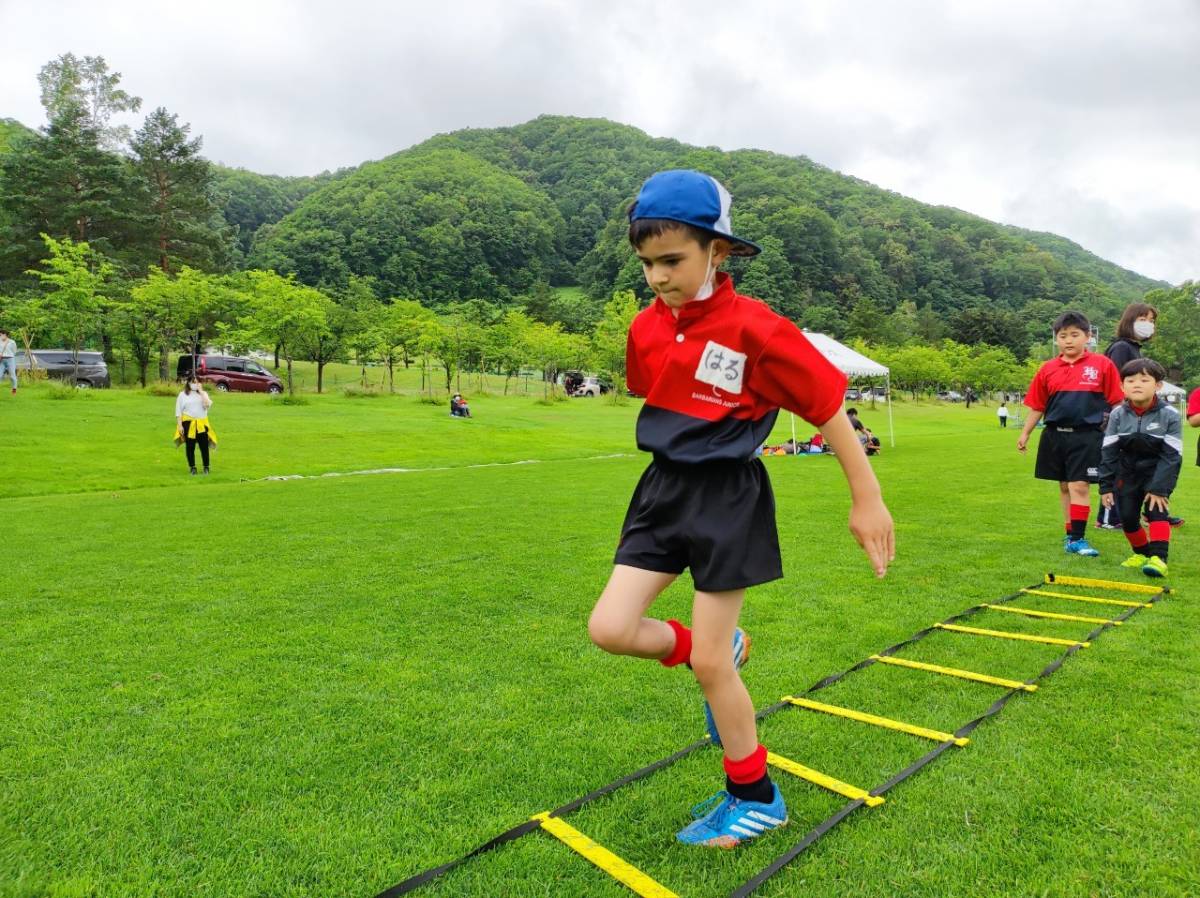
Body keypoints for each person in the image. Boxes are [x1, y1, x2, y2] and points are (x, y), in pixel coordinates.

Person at [587, 170, 894, 849]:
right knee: (610, 627)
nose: (657, 277)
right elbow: (656, 389)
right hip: (661, 490)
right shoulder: (644, 327)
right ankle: (713, 648)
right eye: (646, 263)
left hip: (728, 498)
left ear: (717, 251)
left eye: (672, 260)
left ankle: (757, 798)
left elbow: (827, 409)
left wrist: (866, 498)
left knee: (710, 670)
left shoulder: (759, 329)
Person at [1017, 310, 1122, 557]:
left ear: (1087, 336)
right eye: (1063, 336)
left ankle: (1078, 538)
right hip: (1054, 436)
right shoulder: (1047, 369)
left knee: (1079, 485)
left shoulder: (1102, 365)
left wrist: (1120, 434)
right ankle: (1070, 533)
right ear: (1056, 339)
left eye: (1075, 335)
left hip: (1087, 436)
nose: (1068, 340)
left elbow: (1117, 402)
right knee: (1064, 486)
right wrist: (1025, 433)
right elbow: (1038, 405)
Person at [1099, 359, 1182, 577]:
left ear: (1158, 385)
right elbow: (1109, 451)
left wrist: (1159, 488)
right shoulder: (1117, 414)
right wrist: (1105, 486)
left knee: (1157, 511)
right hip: (1127, 473)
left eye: (1144, 380)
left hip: (1157, 472)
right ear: (1122, 386)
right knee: (1127, 517)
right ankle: (1143, 554)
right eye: (1131, 380)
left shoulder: (1170, 414)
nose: (1137, 384)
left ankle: (1159, 559)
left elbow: (1172, 455)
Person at [1097, 303, 1162, 529]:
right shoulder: (1122, 348)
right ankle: (1109, 518)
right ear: (1130, 320)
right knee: (1118, 465)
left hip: (1132, 414)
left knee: (1135, 465)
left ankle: (1150, 512)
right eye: (1143, 319)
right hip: (1119, 414)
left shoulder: (1133, 348)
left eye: (1152, 321)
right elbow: (1116, 384)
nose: (1148, 324)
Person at [175, 378, 216, 474]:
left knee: (204, 446)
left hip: (202, 423)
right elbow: (178, 412)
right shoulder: (182, 395)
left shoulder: (204, 394)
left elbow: (207, 405)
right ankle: (192, 467)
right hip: (188, 423)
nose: (194, 384)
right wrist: (180, 425)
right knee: (190, 446)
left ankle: (206, 467)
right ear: (188, 383)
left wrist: (201, 392)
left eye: (197, 382)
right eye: (193, 382)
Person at [0, 328, 17, 395]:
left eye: (1, 335)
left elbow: (14, 351)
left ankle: (14, 389)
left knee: (12, 375)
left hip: (10, 359)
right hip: (1, 360)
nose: (0, 336)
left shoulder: (12, 342)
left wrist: (9, 354)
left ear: (5, 335)